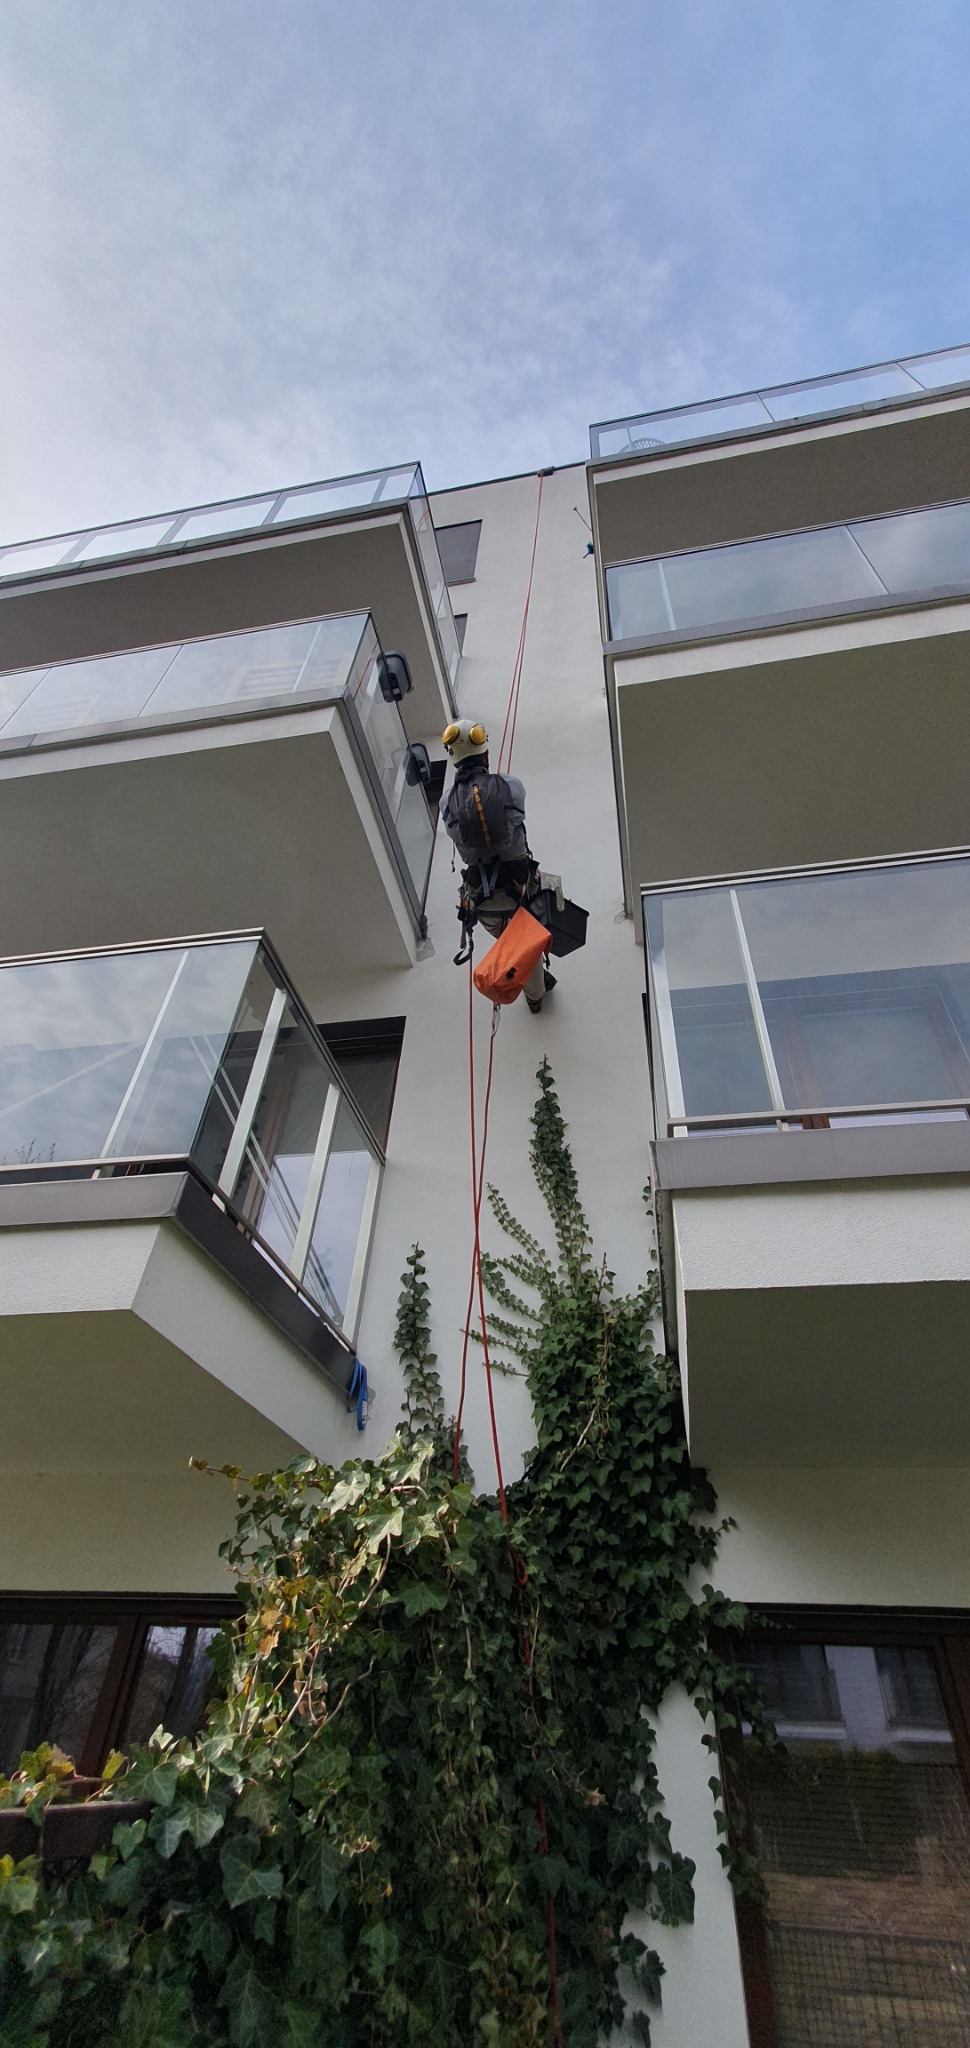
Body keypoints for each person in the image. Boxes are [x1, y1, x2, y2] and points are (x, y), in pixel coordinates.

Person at [440, 718, 556, 1013]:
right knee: (523, 946)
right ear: (486, 754)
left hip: (484, 899)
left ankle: (533, 984)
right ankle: (534, 996)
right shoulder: (511, 785)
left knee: (512, 943)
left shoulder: (446, 801)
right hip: (523, 890)